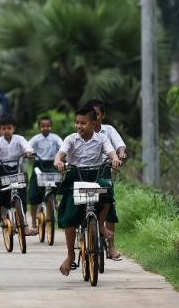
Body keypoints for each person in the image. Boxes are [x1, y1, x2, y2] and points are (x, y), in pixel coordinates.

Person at [53, 105, 121, 277]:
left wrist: (114, 160)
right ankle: (70, 255)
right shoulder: (70, 139)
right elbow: (60, 154)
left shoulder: (102, 139)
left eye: (83, 123)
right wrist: (59, 162)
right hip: (76, 175)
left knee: (107, 190)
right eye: (77, 123)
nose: (78, 126)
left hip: (97, 174)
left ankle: (100, 225)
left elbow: (111, 152)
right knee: (69, 216)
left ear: (93, 123)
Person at [87, 99, 126, 261]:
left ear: (102, 115)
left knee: (109, 206)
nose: (94, 118)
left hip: (103, 171)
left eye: (96, 114)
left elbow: (119, 145)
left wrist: (120, 154)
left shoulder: (108, 131)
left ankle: (110, 246)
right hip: (84, 172)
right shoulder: (82, 130)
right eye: (91, 115)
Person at [0, 114, 34, 229]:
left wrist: (28, 152)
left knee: (22, 192)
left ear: (14, 128)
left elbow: (27, 146)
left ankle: (24, 224)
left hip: (16, 167)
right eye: (3, 128)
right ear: (0, 129)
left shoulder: (19, 139)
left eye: (9, 128)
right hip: (1, 168)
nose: (6, 131)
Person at [27, 116, 64, 230]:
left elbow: (63, 146)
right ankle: (33, 221)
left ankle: (54, 201)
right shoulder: (36, 139)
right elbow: (28, 146)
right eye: (43, 126)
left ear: (51, 127)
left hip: (52, 164)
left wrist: (63, 155)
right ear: (39, 127)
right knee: (33, 193)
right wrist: (29, 153)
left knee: (57, 182)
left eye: (48, 126)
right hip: (39, 165)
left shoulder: (55, 138)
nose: (45, 128)